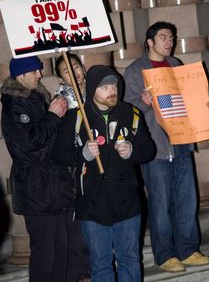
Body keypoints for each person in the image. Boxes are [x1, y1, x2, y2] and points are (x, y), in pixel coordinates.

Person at [52, 64, 156, 282]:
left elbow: (149, 150)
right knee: (100, 264)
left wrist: (133, 152)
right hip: (92, 204)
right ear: (92, 89)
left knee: (130, 259)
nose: (112, 90)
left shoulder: (131, 113)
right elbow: (59, 155)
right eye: (105, 86)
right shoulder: (77, 118)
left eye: (114, 84)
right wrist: (83, 154)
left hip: (127, 201)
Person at [123, 21, 209, 272]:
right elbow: (127, 111)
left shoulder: (176, 66)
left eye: (171, 38)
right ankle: (165, 255)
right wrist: (143, 103)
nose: (169, 42)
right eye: (163, 38)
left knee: (186, 198)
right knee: (160, 203)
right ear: (149, 42)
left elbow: (189, 100)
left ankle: (188, 249)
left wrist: (203, 108)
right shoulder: (135, 70)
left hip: (182, 141)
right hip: (155, 145)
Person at [0, 56, 73, 282]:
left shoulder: (36, 98)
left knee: (62, 250)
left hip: (55, 186)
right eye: (35, 72)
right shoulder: (14, 105)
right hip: (37, 190)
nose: (40, 75)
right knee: (45, 253)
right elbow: (30, 148)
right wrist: (52, 115)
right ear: (21, 75)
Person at [54, 53, 91, 282]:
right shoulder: (61, 102)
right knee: (78, 227)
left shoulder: (97, 91)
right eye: (67, 70)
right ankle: (82, 274)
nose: (74, 72)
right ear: (61, 78)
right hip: (74, 172)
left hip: (99, 167)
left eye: (75, 66)